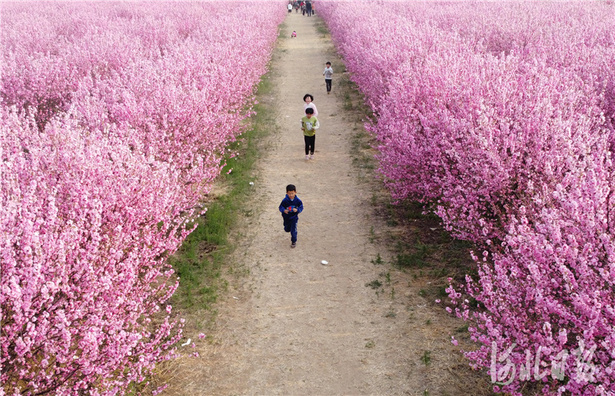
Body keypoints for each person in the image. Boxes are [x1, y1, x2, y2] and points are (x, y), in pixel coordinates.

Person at [279, 184, 303, 248]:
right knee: (287, 229)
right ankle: (287, 227)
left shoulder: (298, 200)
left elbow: (301, 207)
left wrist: (297, 210)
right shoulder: (285, 200)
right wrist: (284, 210)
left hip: (294, 218)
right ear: (287, 193)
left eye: (292, 193)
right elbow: (280, 207)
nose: (291, 195)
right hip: (286, 217)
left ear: (295, 192)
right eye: (289, 194)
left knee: (293, 230)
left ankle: (293, 241)